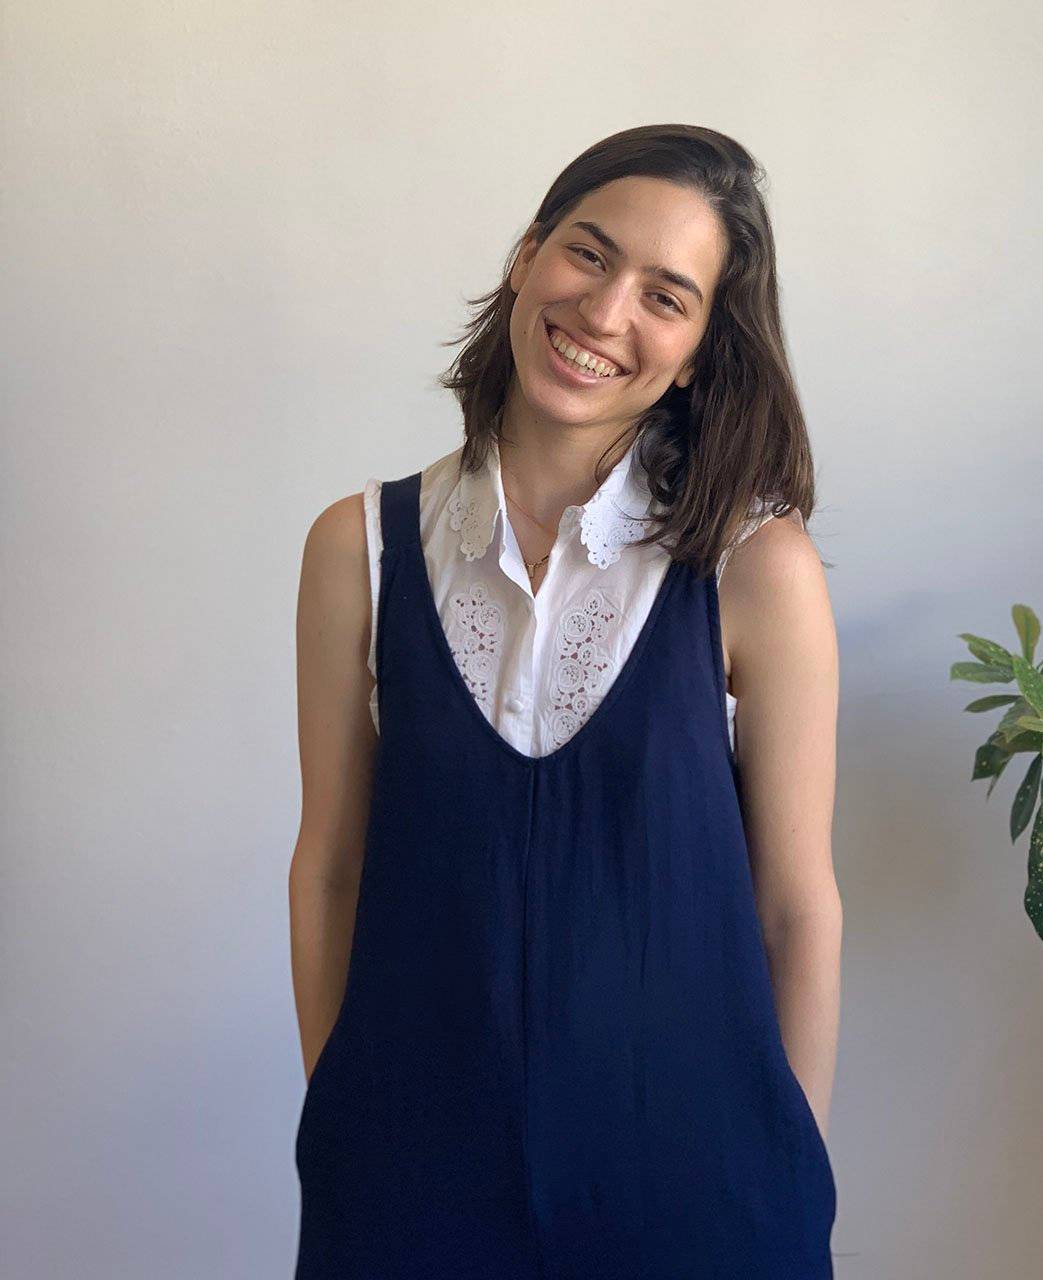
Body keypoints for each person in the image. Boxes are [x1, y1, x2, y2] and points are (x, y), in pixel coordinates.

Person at [289, 124, 842, 1278]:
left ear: (694, 353)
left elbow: (794, 905)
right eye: (587, 254)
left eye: (664, 295)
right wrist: (342, 1126)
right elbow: (332, 864)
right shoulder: (361, 548)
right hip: (411, 1191)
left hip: (698, 1196)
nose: (603, 311)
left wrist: (790, 1171)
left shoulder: (752, 566)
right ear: (526, 256)